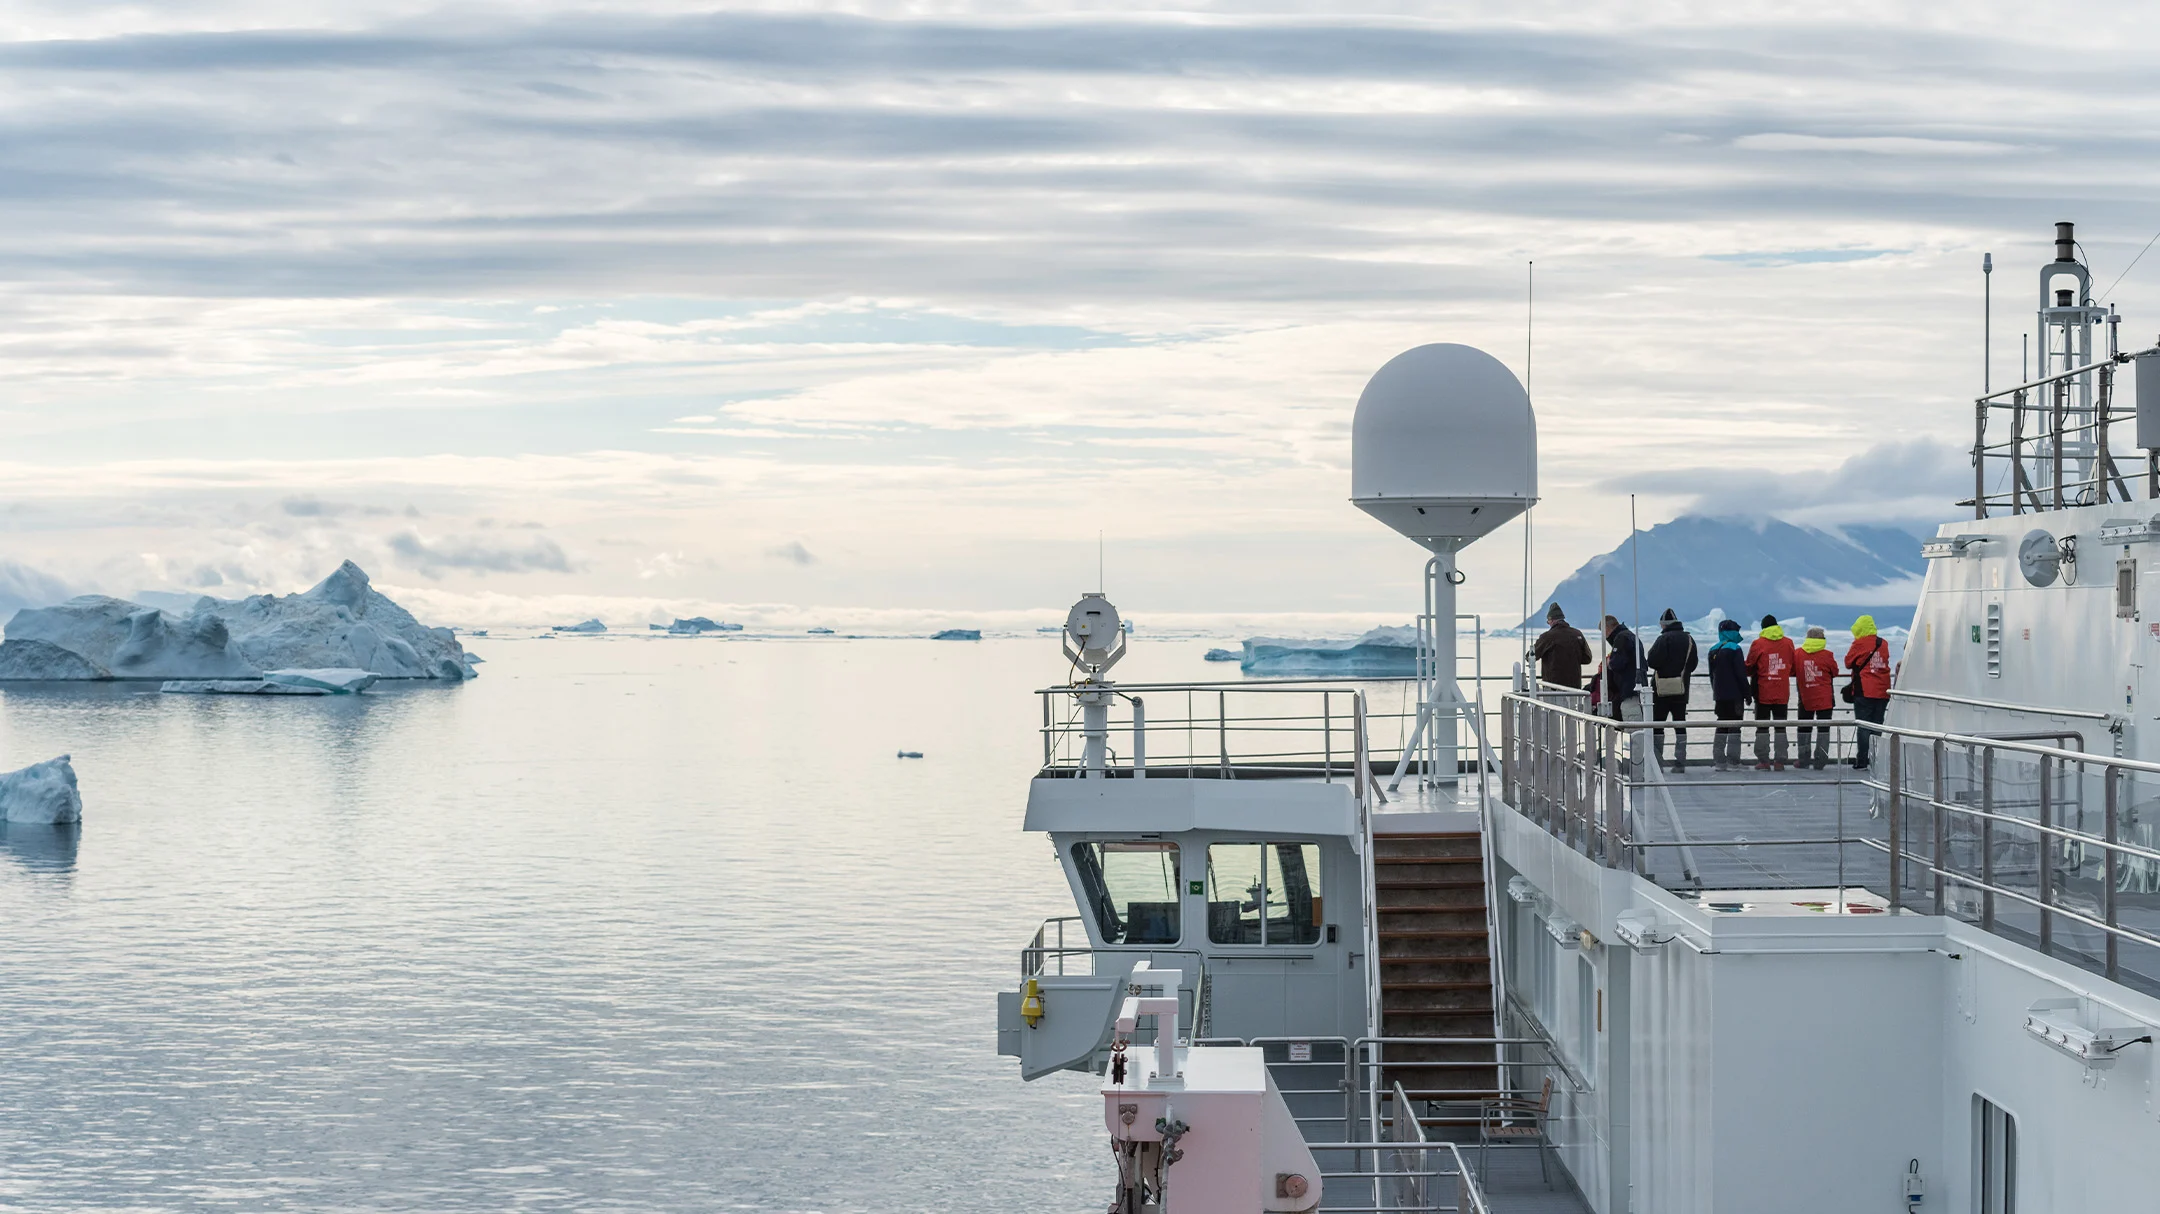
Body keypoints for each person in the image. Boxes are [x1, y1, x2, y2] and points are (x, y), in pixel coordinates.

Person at [1645, 607, 1699, 772]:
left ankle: (1657, 763)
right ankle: (1680, 762)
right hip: (1681, 690)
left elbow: (1652, 661)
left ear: (1664, 625)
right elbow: (1693, 664)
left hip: (1661, 691)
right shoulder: (1689, 639)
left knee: (1657, 727)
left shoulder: (1663, 640)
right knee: (1680, 726)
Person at [1746, 613, 1797, 770]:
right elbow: (1793, 667)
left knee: (1762, 726)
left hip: (1763, 692)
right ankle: (1780, 761)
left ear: (1763, 628)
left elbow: (1748, 666)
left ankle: (1764, 760)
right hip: (1782, 692)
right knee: (1780, 726)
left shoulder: (1758, 643)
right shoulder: (1789, 643)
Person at [1846, 614, 1895, 770]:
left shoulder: (1859, 644)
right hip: (1883, 690)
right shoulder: (1883, 643)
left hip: (1864, 691)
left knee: (1864, 726)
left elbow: (1848, 662)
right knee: (1877, 725)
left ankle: (1862, 760)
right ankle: (1876, 760)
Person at [1705, 619, 1750, 771]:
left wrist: (1715, 692)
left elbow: (1711, 675)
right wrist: (1748, 694)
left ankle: (1719, 761)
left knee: (1721, 726)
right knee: (1735, 727)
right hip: (1735, 696)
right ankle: (1733, 761)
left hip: (1719, 696)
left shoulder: (1713, 650)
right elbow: (1741, 675)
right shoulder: (1735, 649)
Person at [1794, 625, 1840, 769]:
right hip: (1824, 698)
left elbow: (1791, 670)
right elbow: (1835, 671)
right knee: (1823, 730)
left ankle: (1803, 759)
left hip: (1805, 696)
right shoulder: (1828, 655)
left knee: (1803, 728)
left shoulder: (1797, 654)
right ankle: (1820, 760)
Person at [1532, 603, 1593, 691]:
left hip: (1553, 688)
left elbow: (1531, 656)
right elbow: (1587, 658)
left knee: (1552, 705)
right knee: (1573, 705)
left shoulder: (1547, 637)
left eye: (1548, 622)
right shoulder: (1577, 634)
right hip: (1574, 687)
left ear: (1551, 620)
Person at [1602, 615, 1644, 723]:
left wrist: (1609, 662)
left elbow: (1617, 663)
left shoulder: (1621, 638)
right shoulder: (1631, 636)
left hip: (1629, 691)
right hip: (1638, 689)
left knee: (1632, 727)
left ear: (1607, 628)